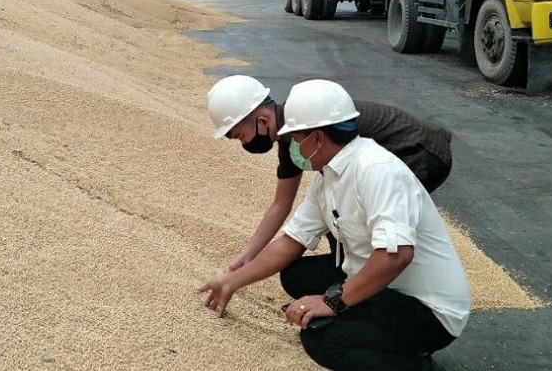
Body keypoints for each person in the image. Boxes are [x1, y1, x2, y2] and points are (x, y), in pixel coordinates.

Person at [198, 79, 470, 371]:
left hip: (427, 310)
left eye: (298, 139)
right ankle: (362, 305)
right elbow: (291, 242)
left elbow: (396, 255)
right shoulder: (327, 176)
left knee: (323, 340)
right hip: (389, 285)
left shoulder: (377, 170)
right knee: (296, 275)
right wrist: (231, 281)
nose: (294, 148)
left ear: (316, 139)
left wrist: (333, 302)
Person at [206, 75, 452, 271]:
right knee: (343, 217)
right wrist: (249, 255)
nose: (244, 143)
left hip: (422, 153)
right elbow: (281, 204)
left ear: (261, 121)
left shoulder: (303, 125)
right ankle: (354, 276)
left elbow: (339, 194)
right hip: (415, 147)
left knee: (363, 220)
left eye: (240, 135)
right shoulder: (289, 137)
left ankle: (370, 288)